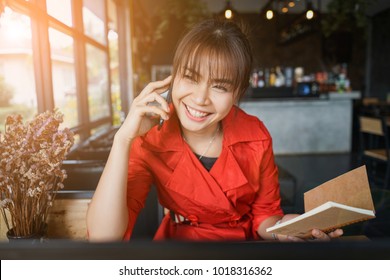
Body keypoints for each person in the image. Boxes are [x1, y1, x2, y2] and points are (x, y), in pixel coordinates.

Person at [86, 18, 343, 242]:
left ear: (237, 93)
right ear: (173, 77)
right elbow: (102, 236)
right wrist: (123, 139)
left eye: (219, 86)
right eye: (190, 77)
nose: (200, 98)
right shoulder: (151, 137)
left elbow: (265, 216)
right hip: (178, 252)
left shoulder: (255, 135)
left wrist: (290, 229)